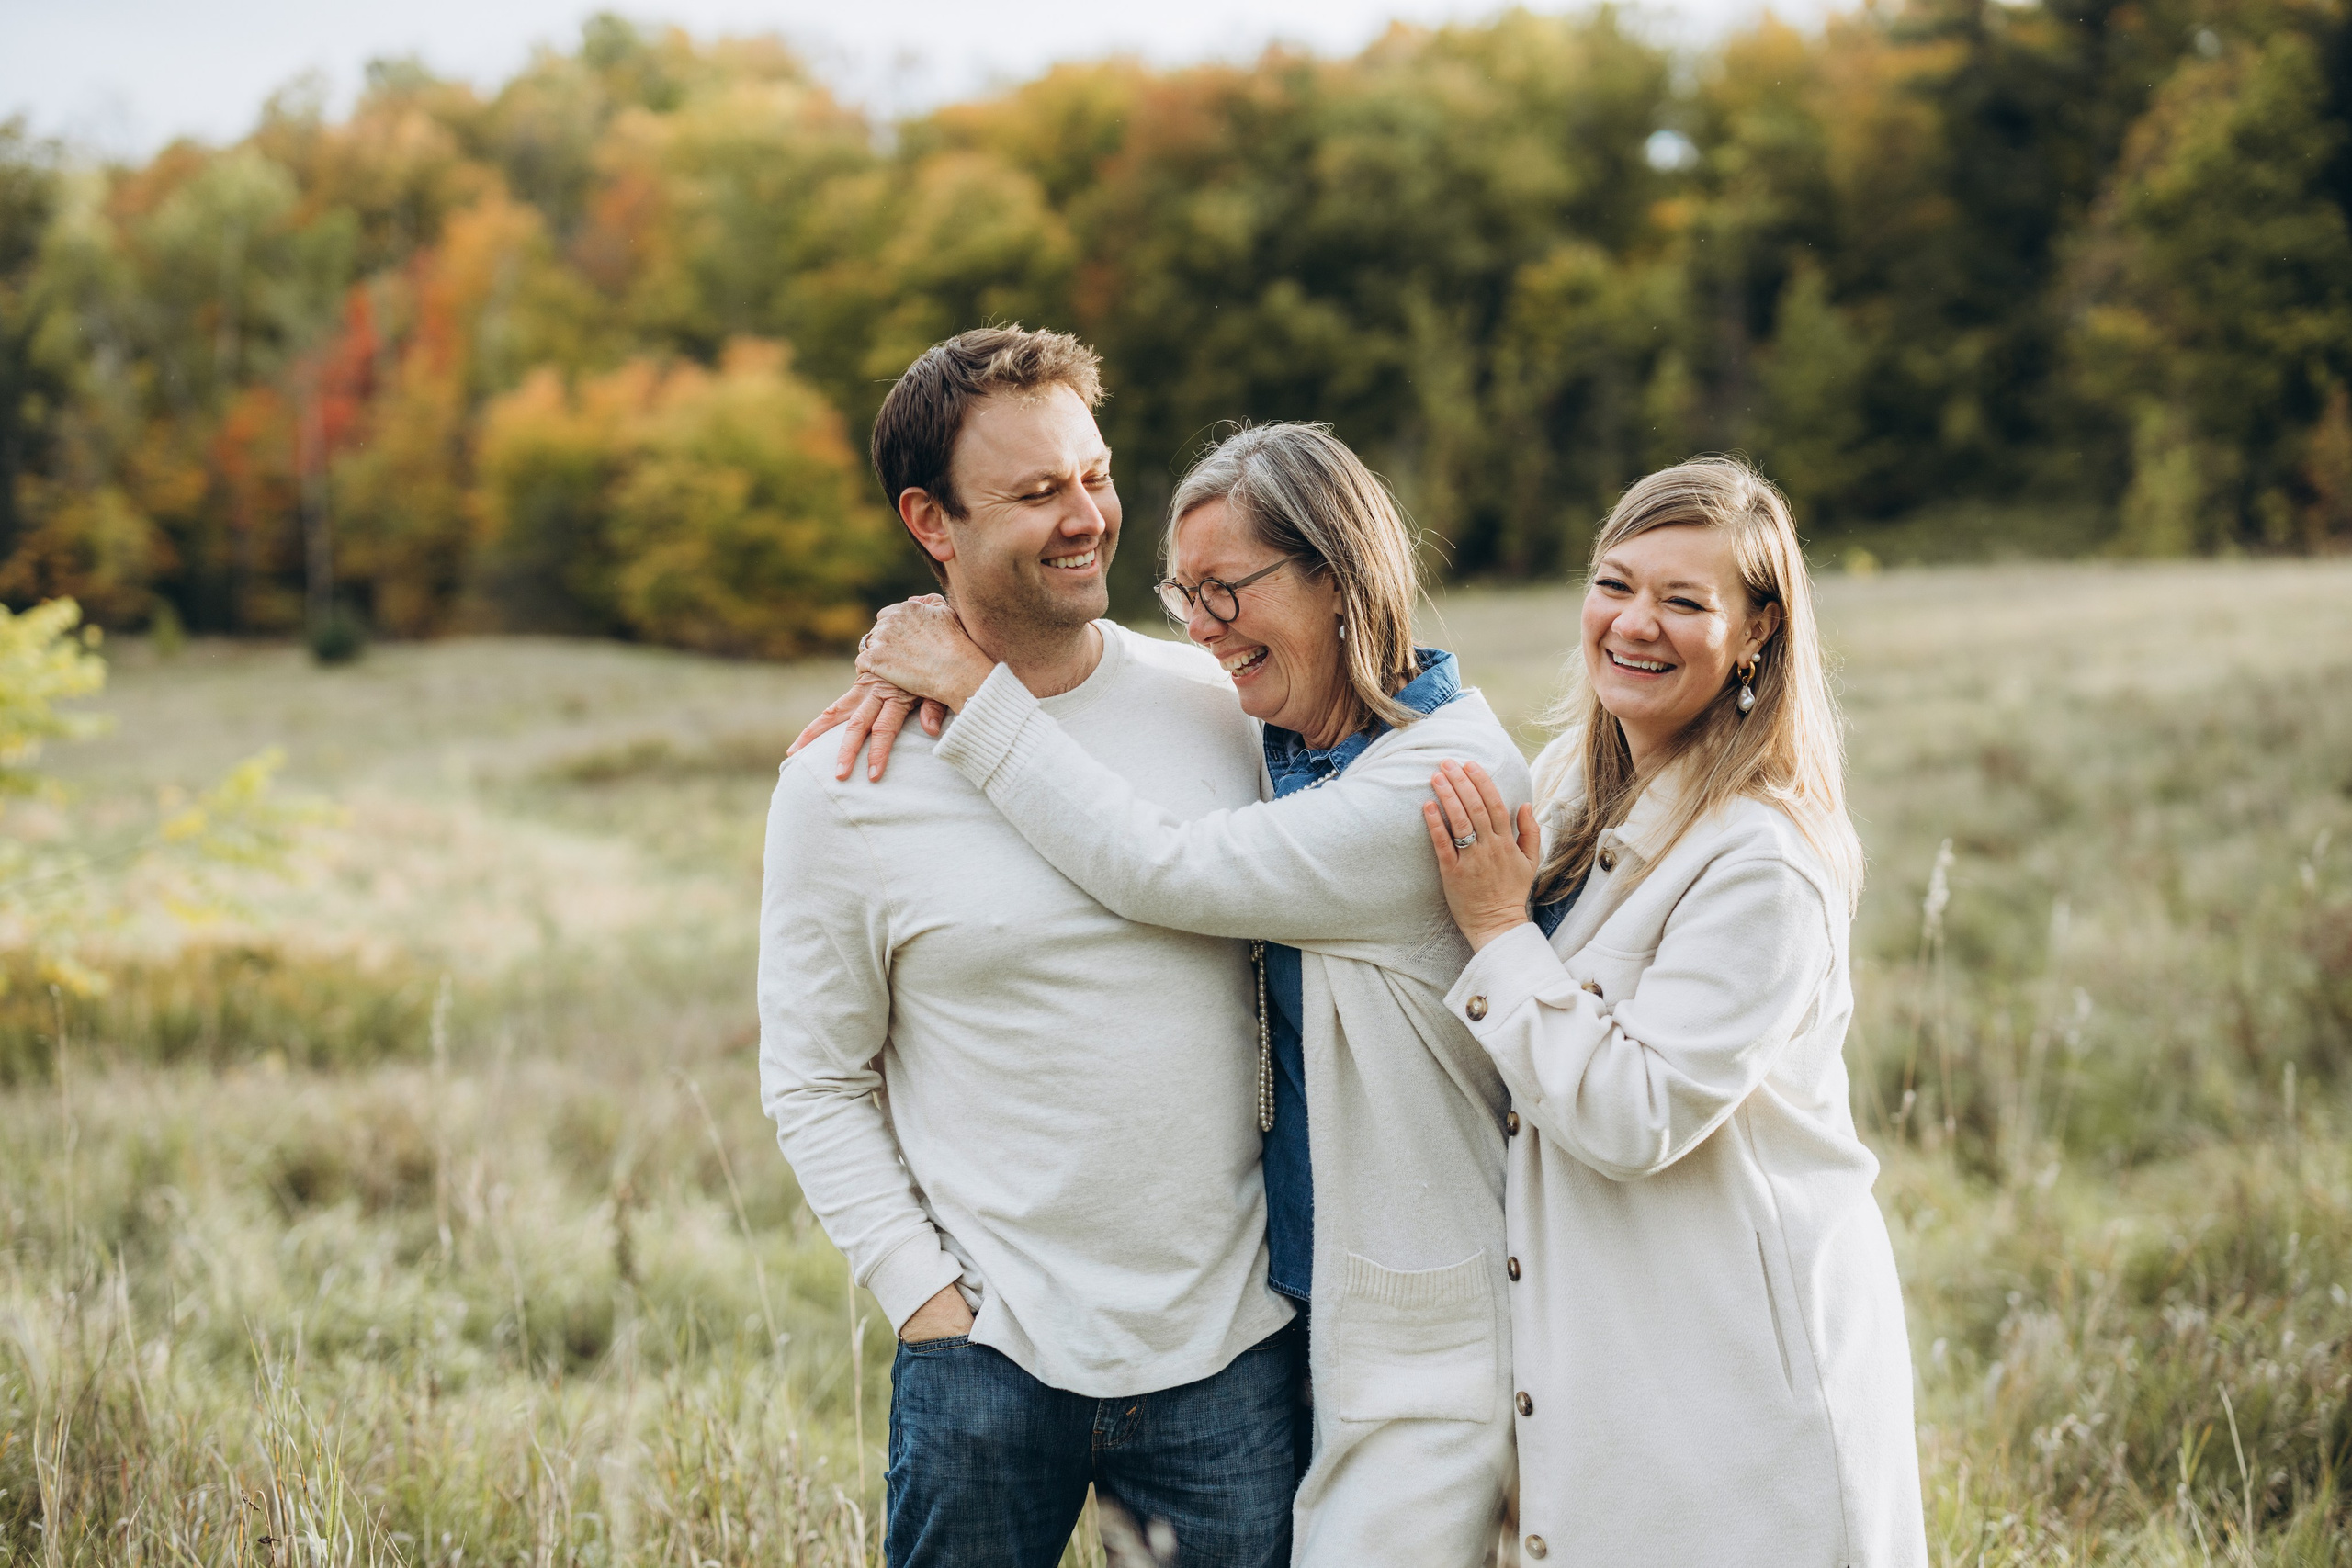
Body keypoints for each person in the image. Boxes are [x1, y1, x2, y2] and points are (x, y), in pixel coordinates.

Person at [823, 421, 1529, 1567]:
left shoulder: (1434, 787)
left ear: (1338, 576)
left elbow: (1162, 868)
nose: (1198, 628)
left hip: (1416, 1340)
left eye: (1223, 590)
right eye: (1181, 593)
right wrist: (924, 1295)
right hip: (1285, 1328)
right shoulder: (1285, 736)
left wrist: (969, 683)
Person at [756, 326, 1300, 1568]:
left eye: (1095, 475)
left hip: (1228, 1356)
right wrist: (925, 1300)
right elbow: (814, 1075)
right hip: (987, 1364)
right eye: (1038, 491)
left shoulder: (1221, 709)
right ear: (930, 522)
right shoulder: (845, 781)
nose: (1087, 517)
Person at [1421, 457, 1928, 1568]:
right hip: (1613, 1353)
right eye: (1614, 584)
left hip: (1737, 1378)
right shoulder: (1564, 785)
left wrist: (1499, 930)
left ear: (1756, 633)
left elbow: (1634, 1113)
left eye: (1684, 601)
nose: (1634, 623)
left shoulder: (1763, 861)